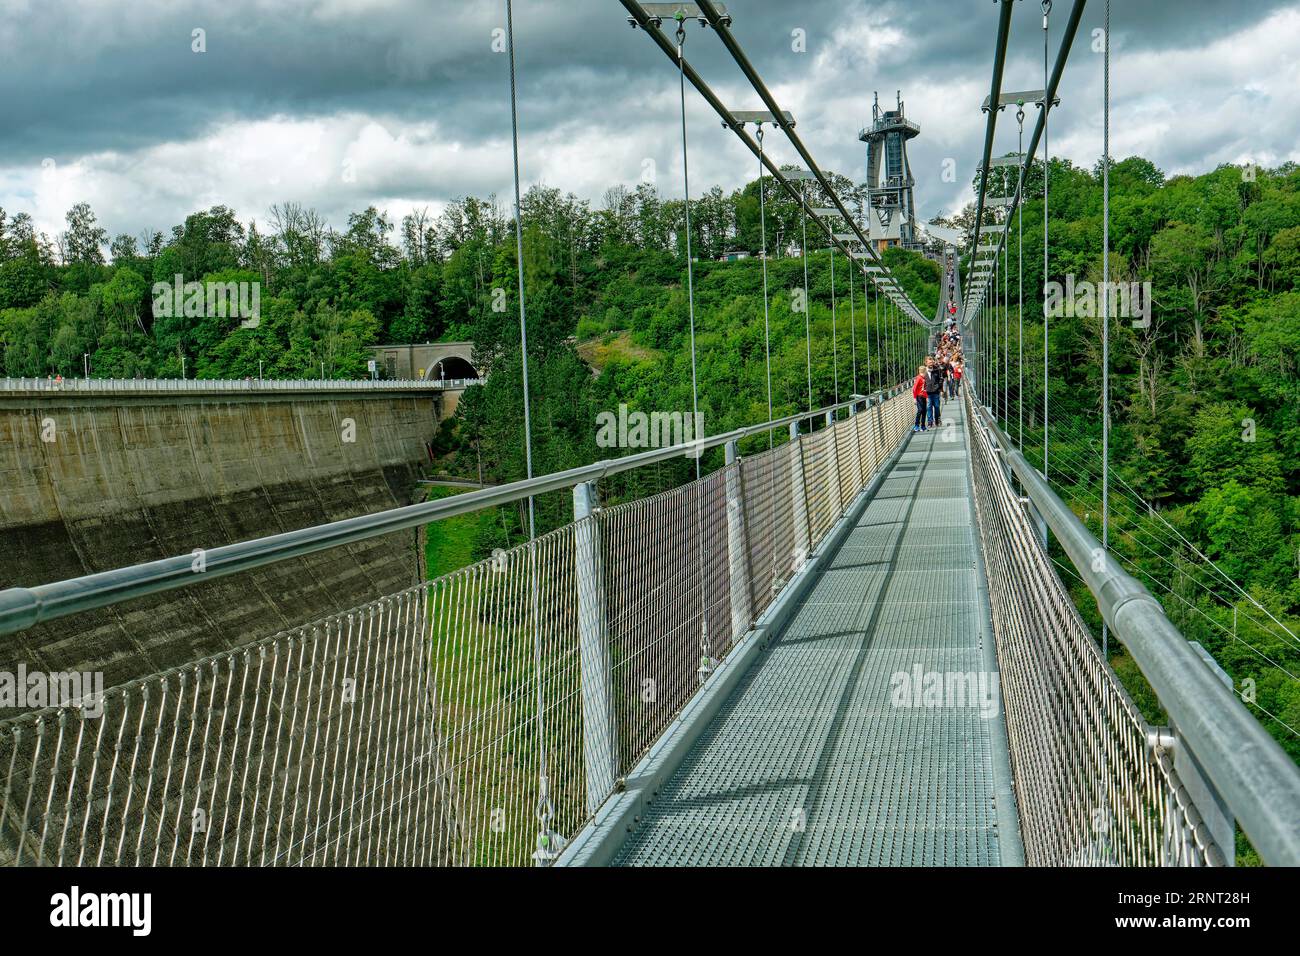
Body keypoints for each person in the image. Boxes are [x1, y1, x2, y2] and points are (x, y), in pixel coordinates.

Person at [925, 357, 944, 428]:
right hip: (928, 392)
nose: (931, 364)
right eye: (929, 362)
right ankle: (930, 422)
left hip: (936, 392)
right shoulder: (924, 371)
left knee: (936, 406)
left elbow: (941, 380)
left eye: (932, 362)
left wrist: (941, 389)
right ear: (926, 363)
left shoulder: (937, 370)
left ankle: (937, 420)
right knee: (929, 407)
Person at [912, 364, 928, 432]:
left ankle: (923, 426)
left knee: (924, 411)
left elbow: (925, 388)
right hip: (919, 397)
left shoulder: (924, 378)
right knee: (920, 410)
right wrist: (914, 398)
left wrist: (927, 397)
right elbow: (914, 389)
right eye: (925, 372)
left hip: (924, 396)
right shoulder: (919, 378)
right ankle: (916, 425)